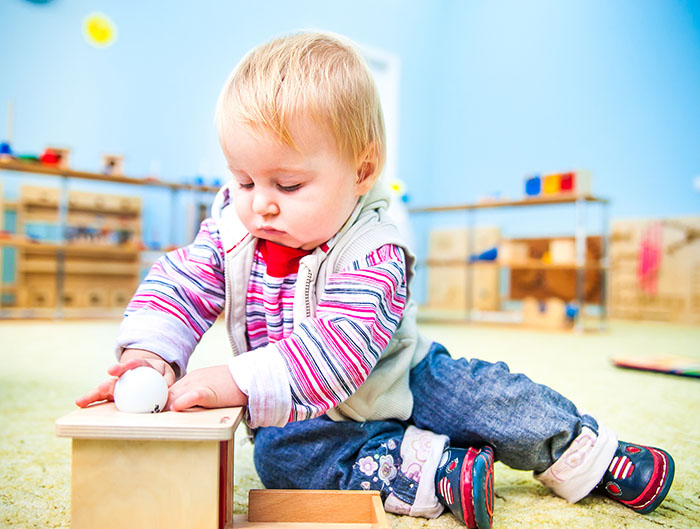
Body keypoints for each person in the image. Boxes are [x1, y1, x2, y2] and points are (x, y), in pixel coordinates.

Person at [76, 31, 674, 528]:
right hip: (304, 408)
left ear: (361, 171)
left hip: (400, 375)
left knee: (489, 396)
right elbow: (181, 281)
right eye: (244, 179)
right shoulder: (234, 229)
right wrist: (150, 354)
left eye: (287, 185)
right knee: (279, 459)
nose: (261, 205)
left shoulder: (377, 249)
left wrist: (232, 378)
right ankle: (424, 466)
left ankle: (583, 451)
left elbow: (339, 350)